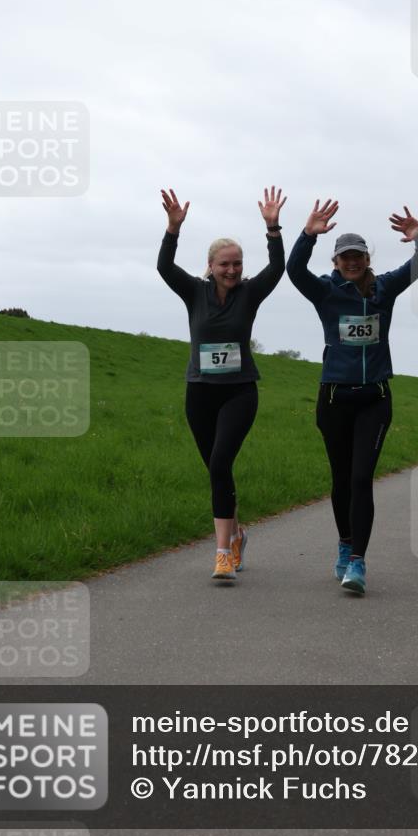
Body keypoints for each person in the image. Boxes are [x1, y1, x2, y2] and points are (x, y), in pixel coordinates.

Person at [287, 200, 418, 595]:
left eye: (358, 256)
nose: (351, 262)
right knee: (340, 480)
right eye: (344, 257)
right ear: (336, 261)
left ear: (367, 259)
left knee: (360, 478)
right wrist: (307, 235)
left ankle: (357, 563)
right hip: (334, 397)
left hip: (374, 398)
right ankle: (344, 542)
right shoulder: (325, 291)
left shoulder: (384, 288)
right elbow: (293, 271)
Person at [157, 186, 286, 582]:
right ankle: (237, 535)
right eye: (225, 264)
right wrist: (172, 229)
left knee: (219, 462)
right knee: (217, 471)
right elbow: (164, 267)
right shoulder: (194, 292)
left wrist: (273, 228)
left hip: (239, 391)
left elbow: (277, 269)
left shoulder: (249, 294)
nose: (232, 270)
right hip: (199, 392)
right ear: (210, 266)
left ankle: (221, 554)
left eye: (237, 264)